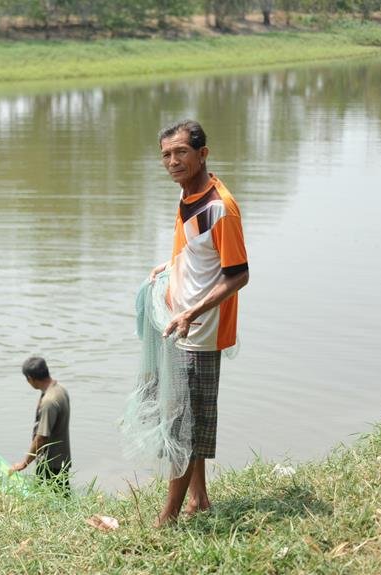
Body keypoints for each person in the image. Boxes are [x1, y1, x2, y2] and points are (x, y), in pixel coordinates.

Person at [149, 120, 249, 526]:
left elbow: (238, 273)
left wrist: (191, 312)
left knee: (183, 426)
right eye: (166, 155)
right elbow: (197, 251)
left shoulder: (218, 208)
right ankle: (200, 499)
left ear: (202, 154)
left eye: (181, 153)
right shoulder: (188, 194)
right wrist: (172, 266)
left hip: (199, 332)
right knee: (192, 418)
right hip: (181, 325)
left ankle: (168, 517)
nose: (173, 161)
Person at [9, 356, 72, 494]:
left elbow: (41, 437)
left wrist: (24, 463)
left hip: (51, 462)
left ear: (31, 378)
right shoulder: (60, 389)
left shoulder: (49, 401)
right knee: (62, 495)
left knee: (54, 497)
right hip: (62, 457)